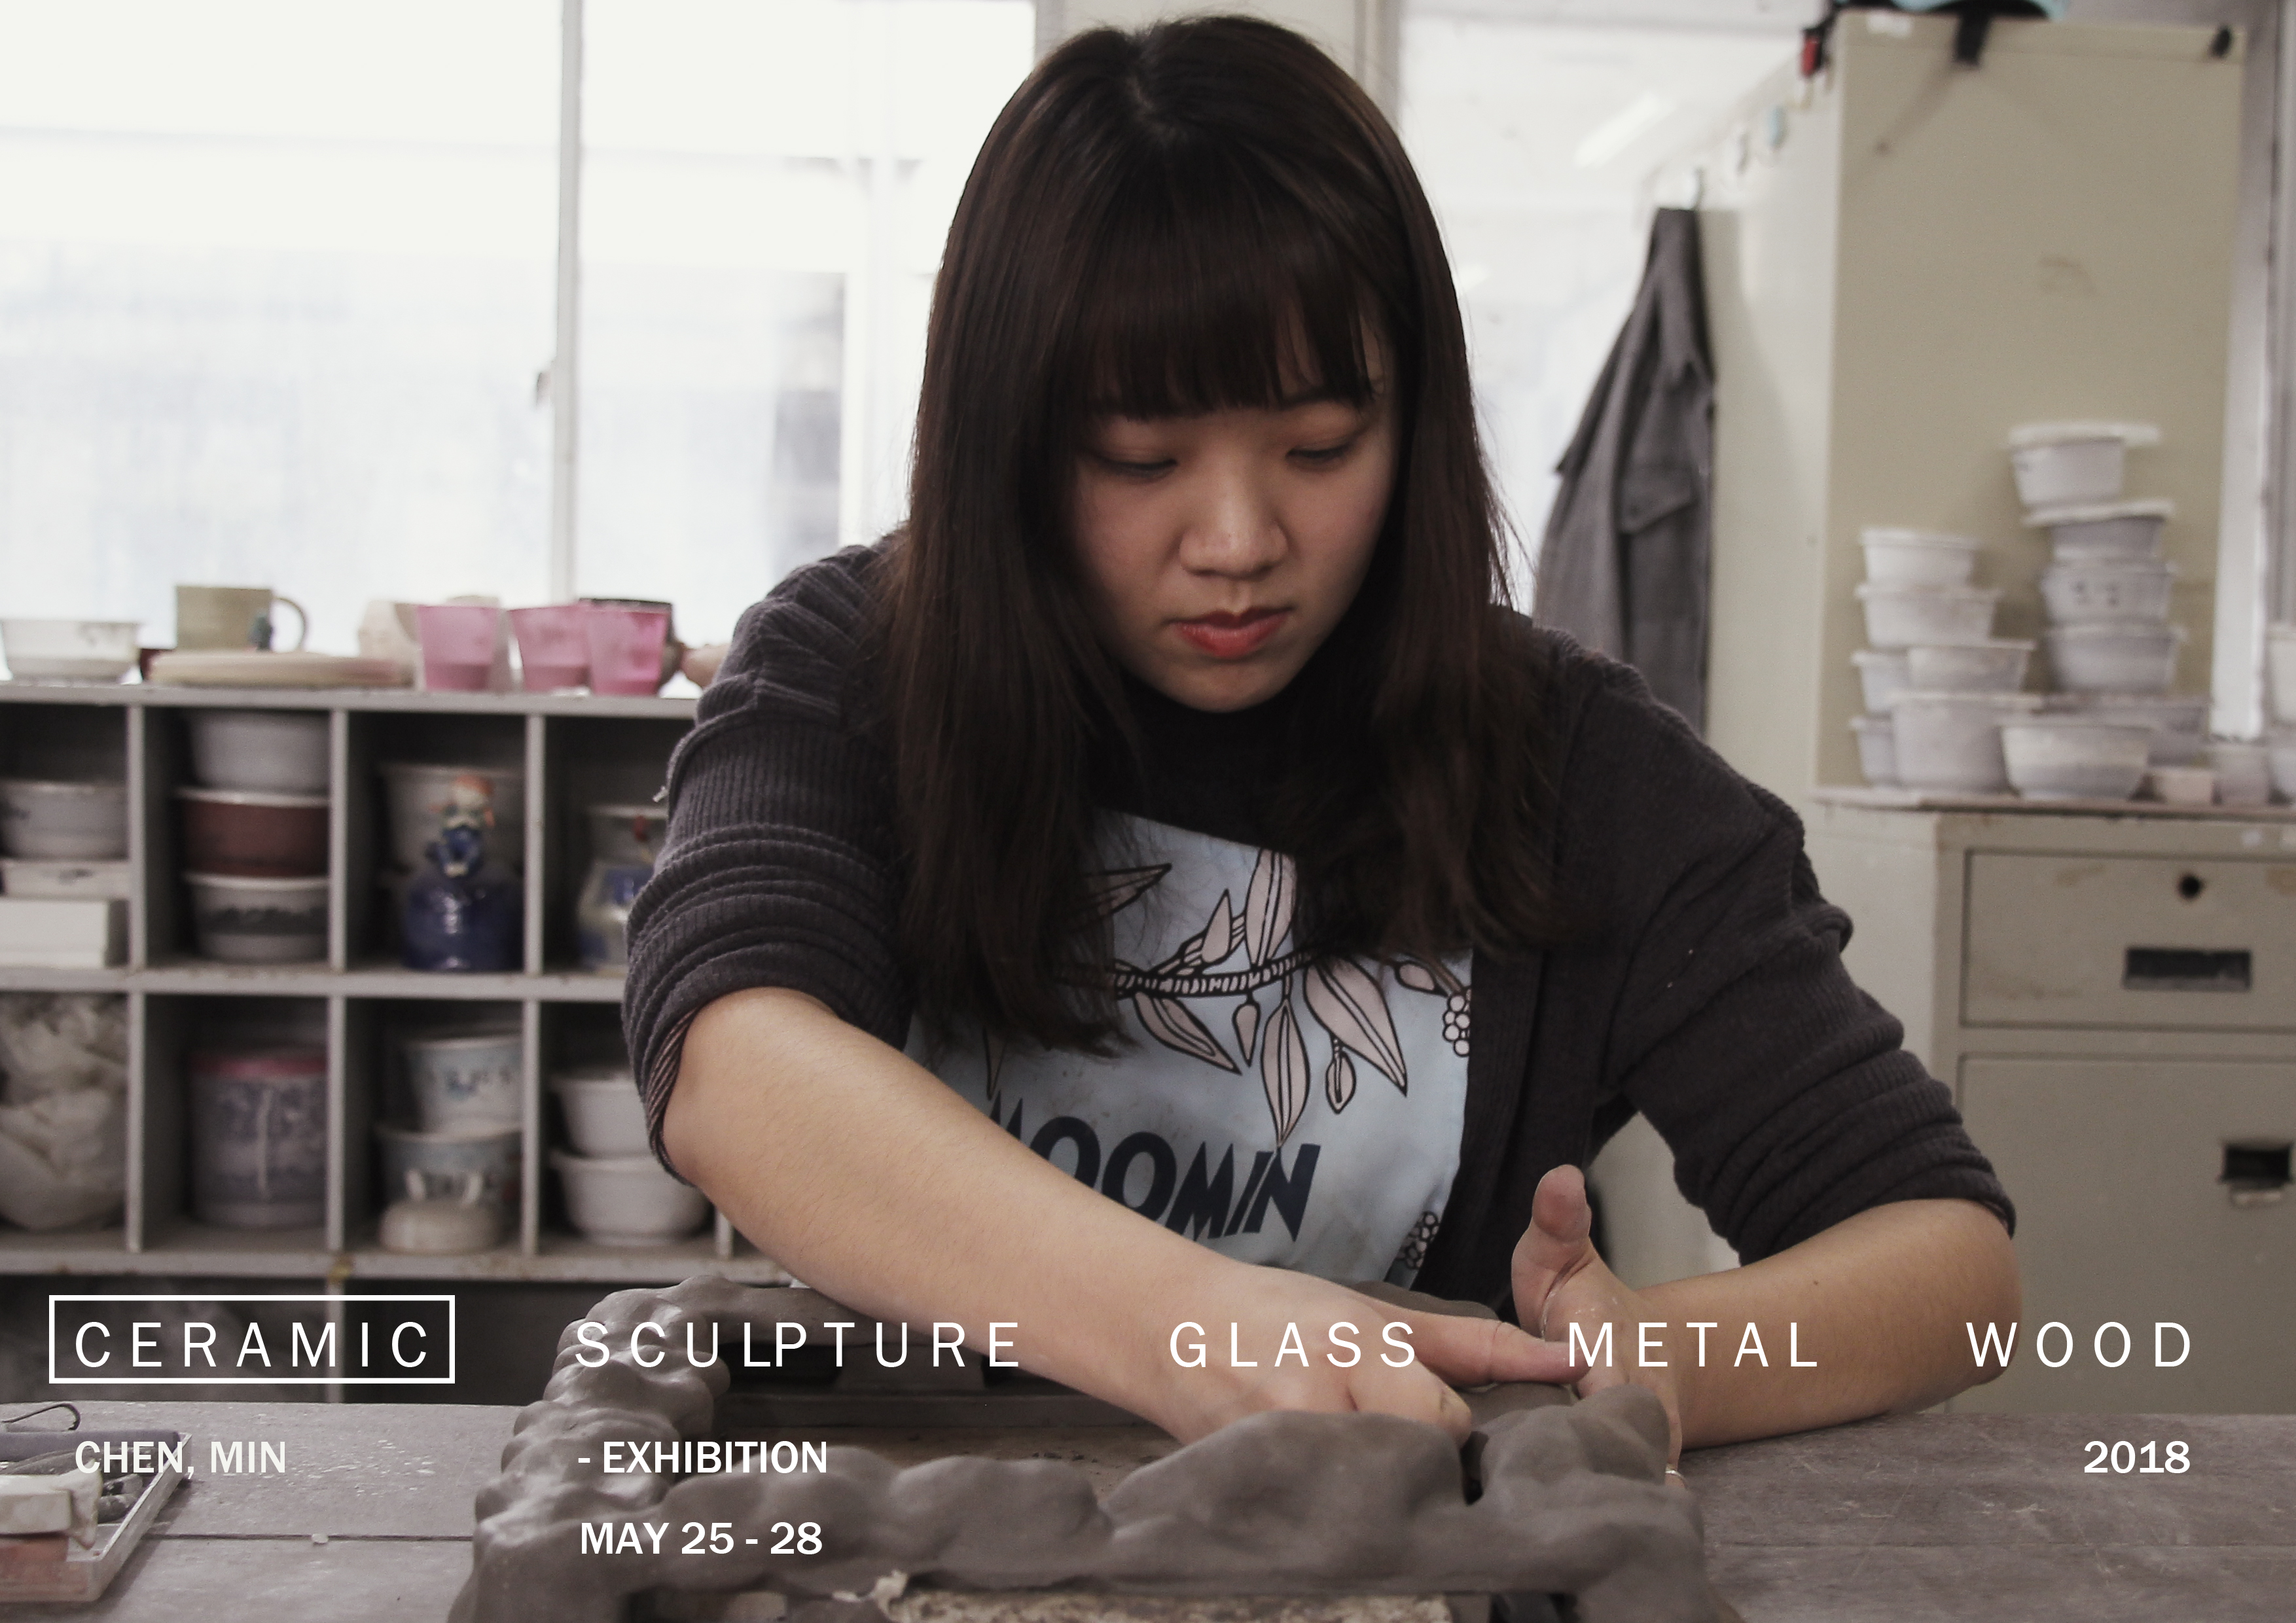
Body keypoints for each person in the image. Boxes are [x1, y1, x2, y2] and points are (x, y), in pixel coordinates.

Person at [626, 15, 2018, 1461]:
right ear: (1009, 443)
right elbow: (730, 1058)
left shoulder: (1573, 768)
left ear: (1414, 427)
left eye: (1318, 447)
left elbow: (1949, 1263)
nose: (1239, 541)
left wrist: (1666, 1357)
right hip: (915, 1532)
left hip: (1392, 1544)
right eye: (1140, 459)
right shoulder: (858, 673)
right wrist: (1190, 1326)